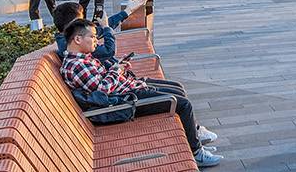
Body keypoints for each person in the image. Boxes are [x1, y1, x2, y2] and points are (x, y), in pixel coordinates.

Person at [60, 16, 222, 167]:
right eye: (93, 37)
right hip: (126, 101)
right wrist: (116, 70)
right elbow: (102, 90)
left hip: (128, 88)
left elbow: (101, 82)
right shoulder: (76, 66)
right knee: (183, 104)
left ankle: (193, 135)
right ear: (78, 39)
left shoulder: (82, 58)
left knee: (177, 88)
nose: (96, 40)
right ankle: (197, 152)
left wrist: (118, 68)